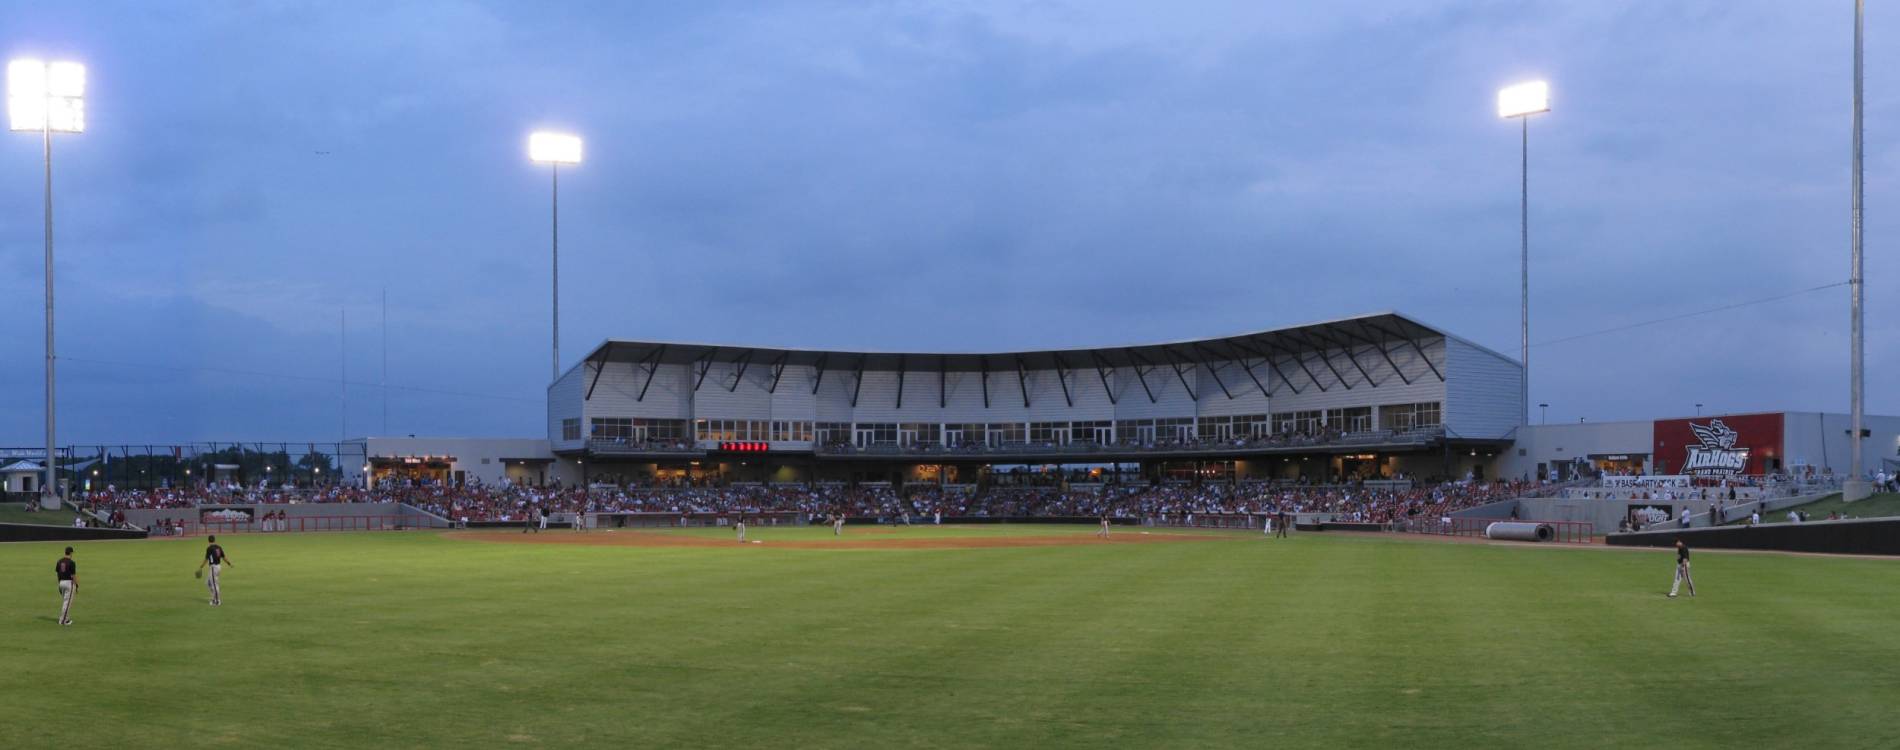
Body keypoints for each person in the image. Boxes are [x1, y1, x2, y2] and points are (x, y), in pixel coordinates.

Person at [197, 534, 232, 606]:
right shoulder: (219, 547)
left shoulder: (209, 548)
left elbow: (206, 559)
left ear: (208, 541)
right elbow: (224, 557)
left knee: (215, 585)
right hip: (218, 567)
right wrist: (229, 563)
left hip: (213, 568)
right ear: (214, 540)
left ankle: (217, 601)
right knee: (208, 582)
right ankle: (213, 597)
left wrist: (201, 566)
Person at [55, 546, 77, 626]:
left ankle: (66, 619)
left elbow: (58, 573)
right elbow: (73, 575)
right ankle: (63, 621)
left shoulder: (59, 561)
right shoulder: (71, 562)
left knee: (65, 601)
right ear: (70, 553)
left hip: (61, 582)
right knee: (67, 603)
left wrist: (59, 584)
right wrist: (76, 584)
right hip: (69, 583)